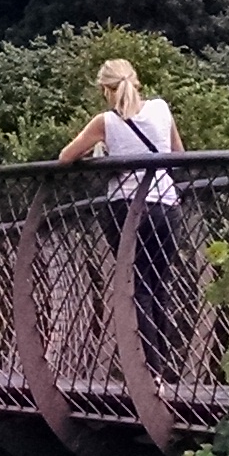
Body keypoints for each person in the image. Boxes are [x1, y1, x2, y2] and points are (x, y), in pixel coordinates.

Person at [60, 59, 186, 376]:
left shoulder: (105, 122)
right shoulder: (161, 109)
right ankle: (165, 364)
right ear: (136, 81)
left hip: (127, 209)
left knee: (137, 285)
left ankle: (150, 370)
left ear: (106, 89)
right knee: (160, 283)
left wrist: (103, 153)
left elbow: (65, 157)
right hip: (166, 203)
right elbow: (178, 155)